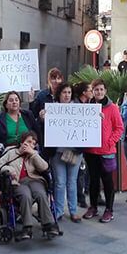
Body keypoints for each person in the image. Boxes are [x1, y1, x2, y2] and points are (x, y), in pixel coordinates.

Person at [0, 131, 59, 239]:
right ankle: (27, 227)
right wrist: (9, 169)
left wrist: (33, 154)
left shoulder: (34, 154)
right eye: (28, 142)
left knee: (41, 194)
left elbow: (44, 167)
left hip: (35, 180)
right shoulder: (11, 152)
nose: (30, 145)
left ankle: (49, 225)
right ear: (22, 142)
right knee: (25, 195)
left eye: (33, 143)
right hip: (18, 182)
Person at [82, 79, 124, 223]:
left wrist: (110, 142)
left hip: (106, 151)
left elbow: (119, 128)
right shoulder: (88, 107)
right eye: (96, 90)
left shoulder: (112, 108)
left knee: (107, 181)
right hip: (90, 151)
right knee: (93, 180)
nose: (99, 92)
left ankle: (109, 210)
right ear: (92, 91)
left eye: (101, 89)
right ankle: (93, 206)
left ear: (105, 91)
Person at [50, 83, 82, 222]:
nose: (67, 95)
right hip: (58, 152)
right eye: (64, 92)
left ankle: (73, 211)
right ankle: (58, 211)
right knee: (59, 182)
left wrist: (97, 118)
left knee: (72, 182)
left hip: (75, 152)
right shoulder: (52, 109)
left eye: (69, 92)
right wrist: (43, 118)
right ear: (59, 94)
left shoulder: (80, 109)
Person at [73, 82, 93, 209]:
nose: (92, 92)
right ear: (84, 92)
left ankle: (89, 194)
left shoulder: (90, 104)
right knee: (80, 172)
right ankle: (80, 198)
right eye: (90, 90)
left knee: (88, 171)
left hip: (88, 143)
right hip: (77, 145)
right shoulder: (75, 105)